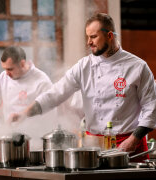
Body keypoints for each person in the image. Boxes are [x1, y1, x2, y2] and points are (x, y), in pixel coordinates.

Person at [10, 13, 156, 162]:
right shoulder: (84, 66)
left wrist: (134, 139)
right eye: (87, 37)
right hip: (95, 147)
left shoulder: (137, 67)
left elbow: (151, 107)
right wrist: (24, 113)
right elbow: (55, 94)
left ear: (110, 36)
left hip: (129, 145)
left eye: (93, 37)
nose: (89, 42)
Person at [0, 46, 52, 124]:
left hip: (34, 136)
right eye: (5, 69)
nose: (7, 73)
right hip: (10, 134)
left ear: (22, 64)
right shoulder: (4, 77)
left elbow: (50, 112)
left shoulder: (42, 81)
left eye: (10, 69)